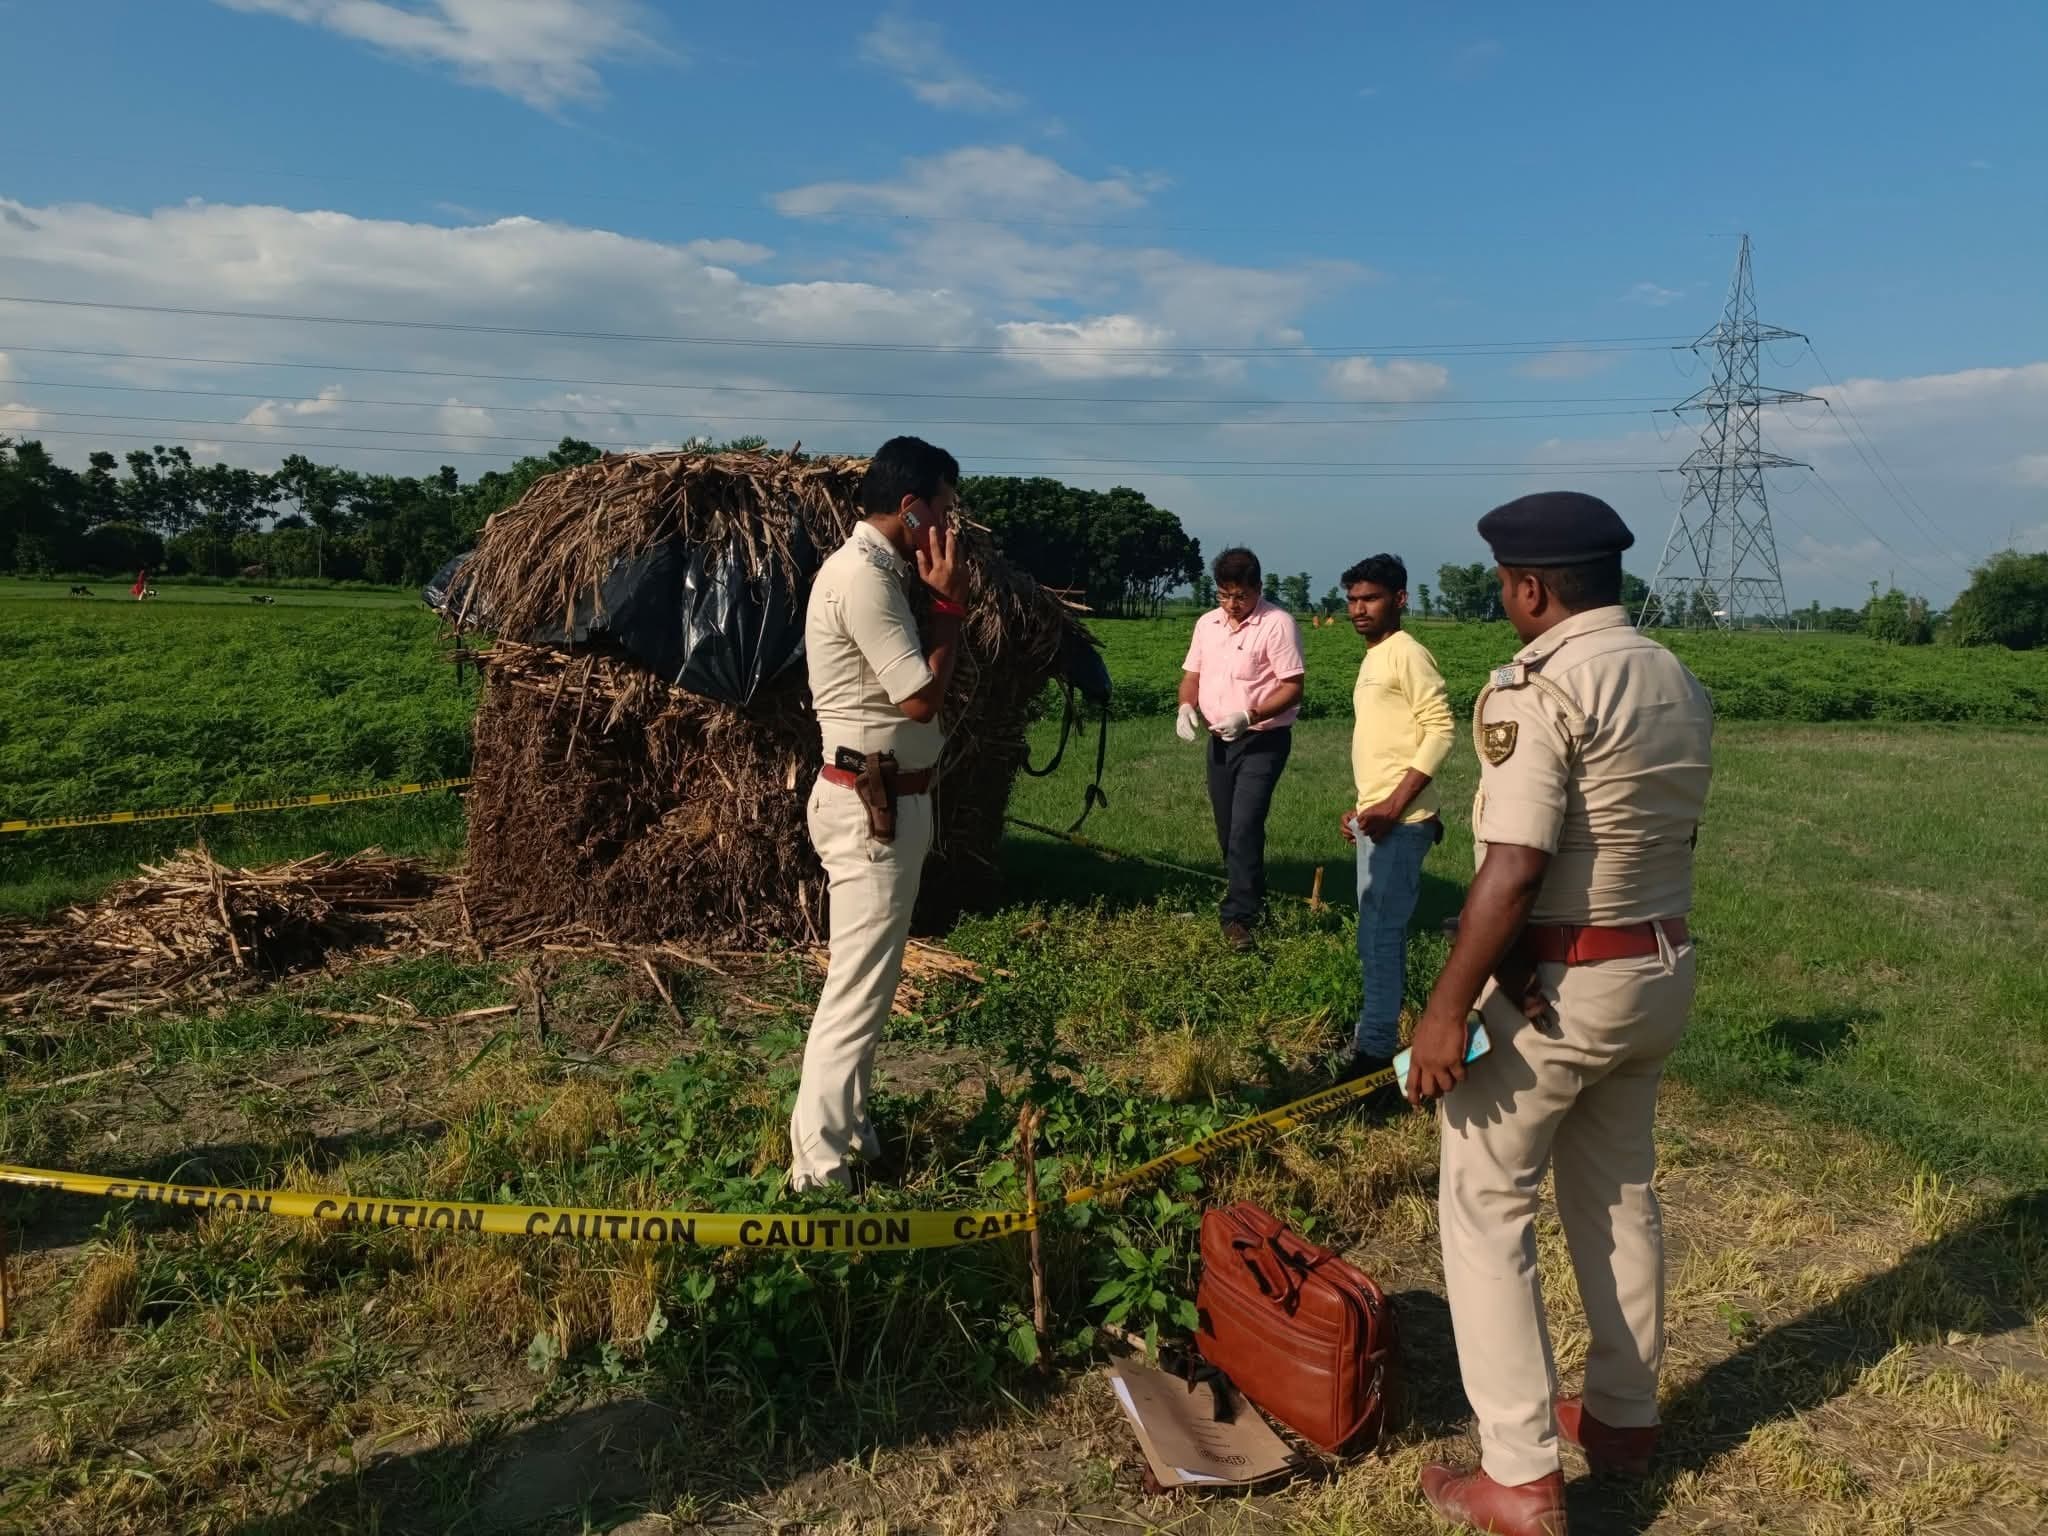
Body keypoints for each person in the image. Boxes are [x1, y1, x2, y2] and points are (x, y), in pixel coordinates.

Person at [1404, 492, 1713, 1536]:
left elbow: (1514, 866)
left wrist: (1445, 1011)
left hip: (1561, 985)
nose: (1504, 599)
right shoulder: (1673, 676)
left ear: (1530, 587)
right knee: (1617, 1192)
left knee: (1486, 1205)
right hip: (1656, 966)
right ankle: (1622, 1420)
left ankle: (1520, 1476)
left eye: (1504, 585)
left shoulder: (1536, 686)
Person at [790, 436, 968, 1193]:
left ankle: (852, 1130)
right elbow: (919, 698)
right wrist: (950, 608)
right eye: (946, 509)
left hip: (888, 800)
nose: (951, 525)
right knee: (856, 990)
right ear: (911, 507)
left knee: (871, 984)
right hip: (873, 807)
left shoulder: (878, 572)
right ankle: (819, 1169)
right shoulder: (862, 578)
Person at [1337, 553, 1454, 1081]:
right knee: (1375, 934)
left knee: (1381, 936)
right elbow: (1388, 741)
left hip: (1401, 823)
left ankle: (1375, 1054)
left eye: (1371, 598)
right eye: (1353, 600)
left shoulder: (1407, 652)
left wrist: (1392, 806)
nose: (1359, 609)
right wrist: (1365, 806)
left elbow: (1440, 729)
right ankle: (1373, 1035)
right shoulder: (1375, 656)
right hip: (1381, 817)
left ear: (1399, 599)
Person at [1176, 547, 1306, 951]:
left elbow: (1292, 687)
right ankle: (1252, 895)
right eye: (1224, 594)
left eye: (1240, 596)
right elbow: (1191, 675)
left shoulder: (1277, 624)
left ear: (1258, 588)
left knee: (1245, 824)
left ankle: (1238, 917)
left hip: (1262, 740)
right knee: (1227, 827)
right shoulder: (1208, 624)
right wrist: (1185, 706)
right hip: (1219, 739)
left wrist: (1249, 716)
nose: (1232, 604)